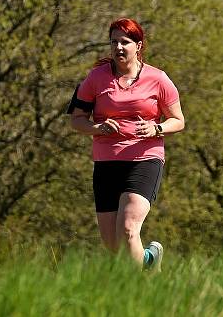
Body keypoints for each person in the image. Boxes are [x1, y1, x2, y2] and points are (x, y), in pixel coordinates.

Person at [68, 18, 185, 271]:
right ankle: (150, 260)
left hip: (144, 159)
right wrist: (97, 128)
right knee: (113, 244)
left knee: (129, 229)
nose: (119, 47)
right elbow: (76, 120)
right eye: (114, 42)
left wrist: (157, 128)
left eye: (125, 42)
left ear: (138, 46)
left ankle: (144, 291)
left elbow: (178, 120)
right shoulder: (96, 78)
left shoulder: (158, 79)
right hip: (106, 162)